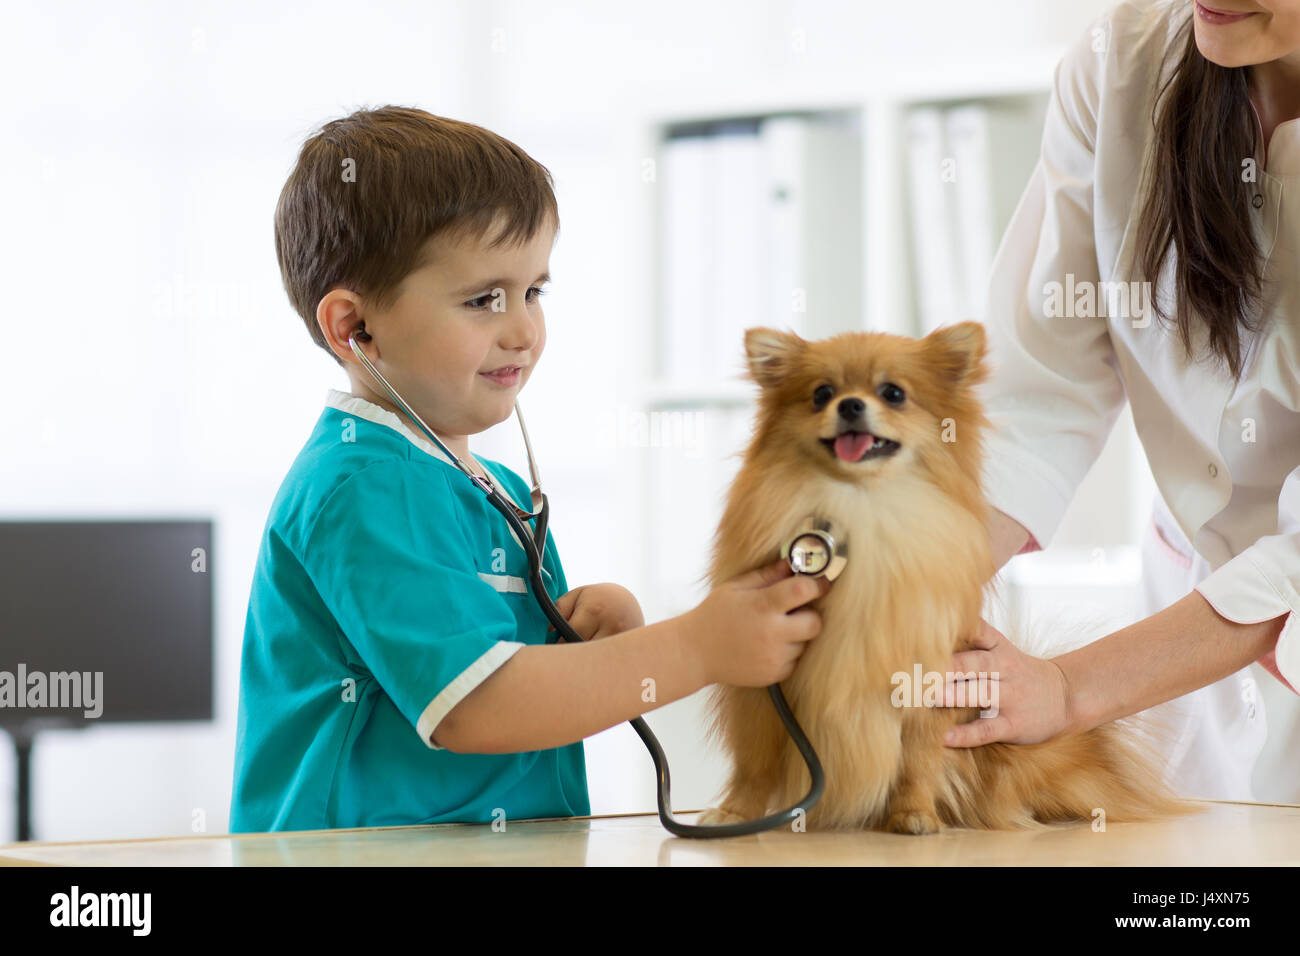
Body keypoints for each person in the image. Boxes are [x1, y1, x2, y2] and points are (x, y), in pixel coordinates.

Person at [229, 106, 829, 833]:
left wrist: (602, 642)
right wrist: (696, 646)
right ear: (356, 329)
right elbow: (479, 705)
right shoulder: (359, 485)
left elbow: (523, 686)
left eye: (533, 291)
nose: (523, 329)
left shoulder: (499, 492)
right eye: (484, 299)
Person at [944, 0, 1299, 803]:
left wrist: (1067, 690)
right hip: (1178, 638)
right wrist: (917, 584)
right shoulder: (1123, 61)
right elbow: (1038, 392)